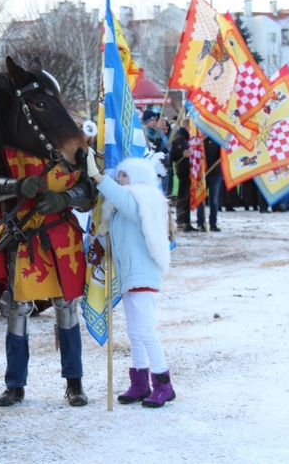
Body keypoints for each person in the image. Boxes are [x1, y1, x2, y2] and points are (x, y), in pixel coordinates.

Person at [0, 147, 95, 408]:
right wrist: (17, 184)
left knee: (66, 306)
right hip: (21, 232)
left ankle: (74, 382)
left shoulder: (69, 142)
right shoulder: (9, 143)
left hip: (61, 232)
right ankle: (14, 384)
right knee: (18, 308)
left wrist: (65, 198)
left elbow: (89, 190)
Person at [86, 150, 176, 408]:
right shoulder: (124, 205)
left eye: (124, 174)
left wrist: (97, 176)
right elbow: (117, 233)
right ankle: (139, 382)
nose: (120, 177)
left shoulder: (142, 198)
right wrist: (102, 232)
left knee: (146, 331)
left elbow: (120, 198)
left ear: (137, 177)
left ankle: (163, 384)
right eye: (120, 174)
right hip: (130, 276)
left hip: (142, 275)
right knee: (135, 331)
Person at [170, 118, 196, 231]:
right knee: (183, 198)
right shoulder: (179, 138)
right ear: (187, 127)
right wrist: (182, 154)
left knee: (187, 198)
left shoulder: (186, 138)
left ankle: (186, 221)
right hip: (183, 172)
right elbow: (173, 156)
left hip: (188, 171)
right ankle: (181, 222)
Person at [196, 134, 222, 231]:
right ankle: (200, 223)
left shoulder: (217, 139)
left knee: (214, 200)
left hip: (215, 173)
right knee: (201, 199)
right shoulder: (199, 140)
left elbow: (222, 155)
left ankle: (213, 223)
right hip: (202, 173)